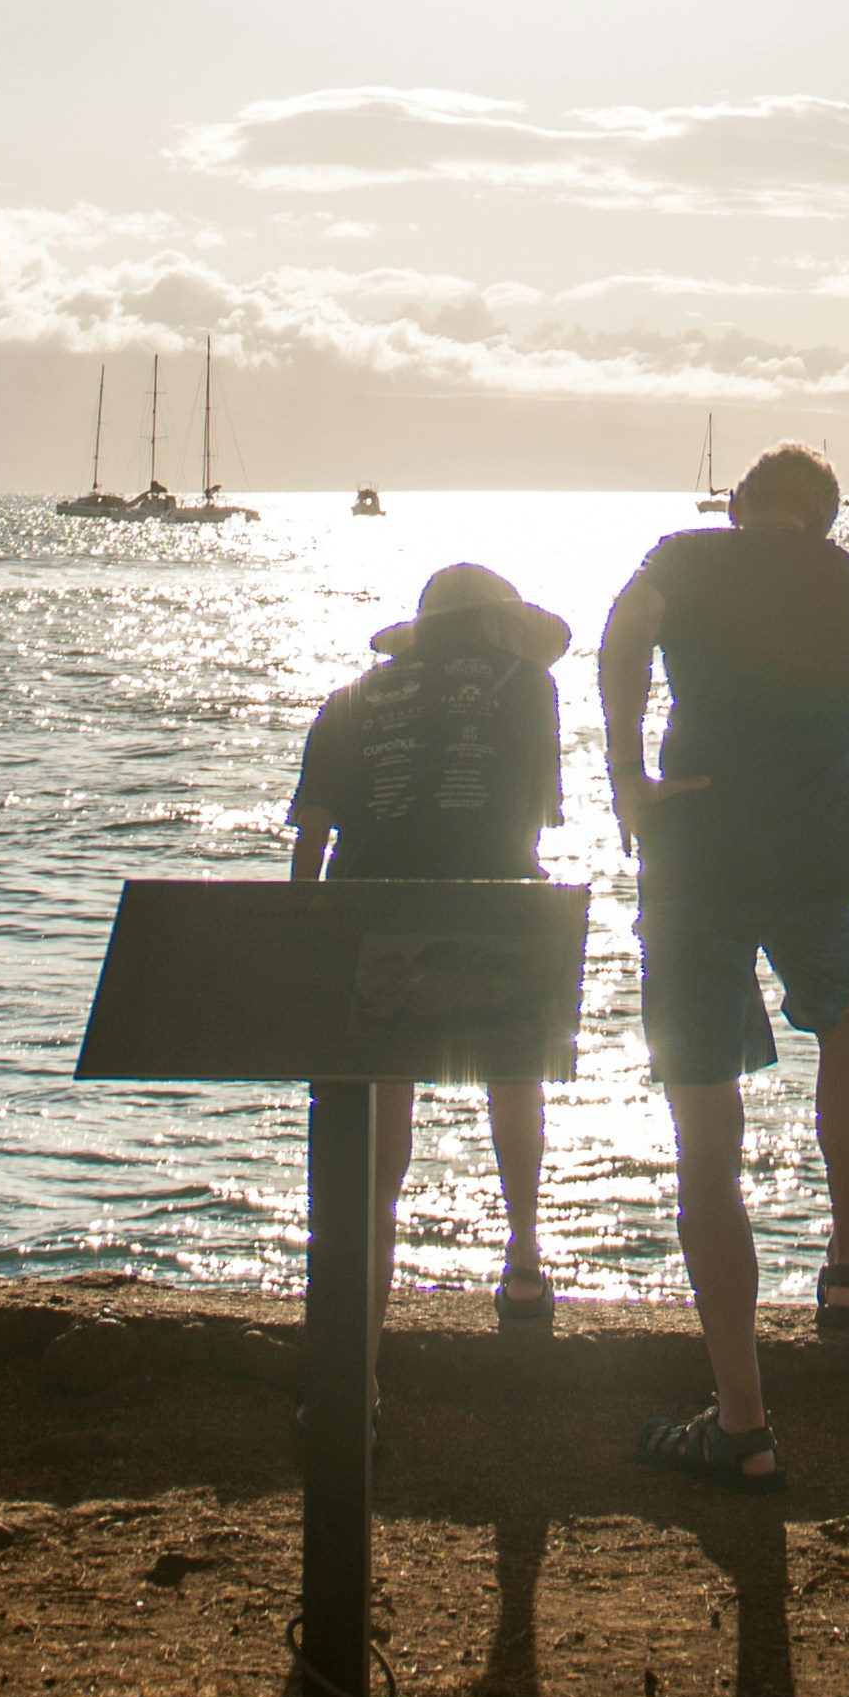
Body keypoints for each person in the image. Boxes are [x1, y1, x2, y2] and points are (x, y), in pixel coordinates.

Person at [599, 440, 849, 1493]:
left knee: (704, 1124)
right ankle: (847, 1269)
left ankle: (743, 1421)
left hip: (699, 849)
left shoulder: (686, 554)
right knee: (845, 1021)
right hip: (814, 855)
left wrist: (627, 772)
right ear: (825, 517)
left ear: (741, 504)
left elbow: (623, 634)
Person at [283, 559, 574, 1334]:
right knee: (514, 1069)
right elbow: (537, 817)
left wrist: (303, 940)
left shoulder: (347, 700)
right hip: (494, 921)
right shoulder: (530, 686)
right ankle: (521, 1257)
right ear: (491, 626)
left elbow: (310, 842)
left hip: (367, 929)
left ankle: (362, 1351)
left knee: (381, 1108)